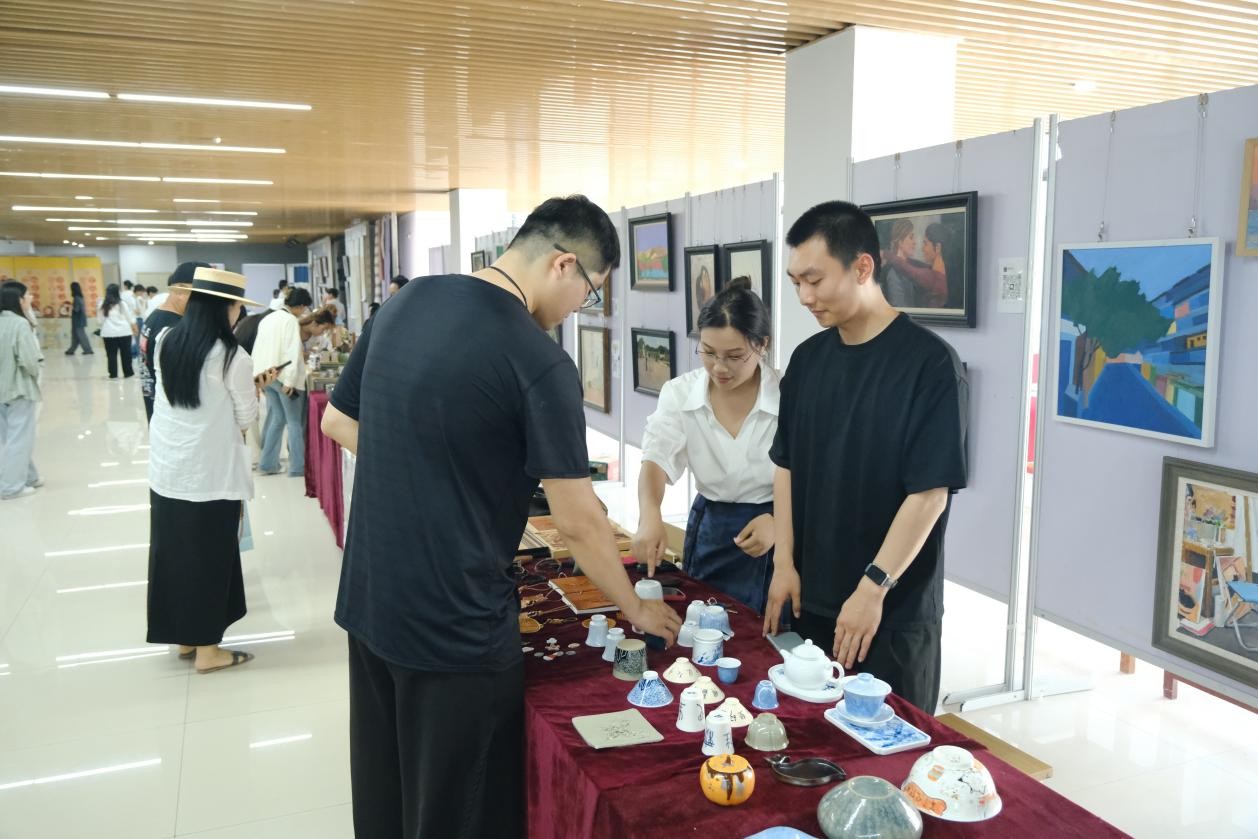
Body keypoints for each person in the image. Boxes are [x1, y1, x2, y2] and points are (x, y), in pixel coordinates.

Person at [319, 195, 681, 838]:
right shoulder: (537, 359)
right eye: (590, 293)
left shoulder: (405, 302)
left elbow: (338, 421)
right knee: (459, 814)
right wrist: (635, 608)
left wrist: (424, 471)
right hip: (455, 628)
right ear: (564, 265)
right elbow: (579, 522)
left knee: (386, 798)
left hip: (371, 600)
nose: (579, 309)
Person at [765, 200, 968, 714]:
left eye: (815, 280)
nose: (804, 296)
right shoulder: (807, 361)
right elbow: (786, 466)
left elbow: (929, 494)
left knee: (888, 749)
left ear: (862, 267)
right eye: (796, 282)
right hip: (811, 599)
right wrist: (784, 562)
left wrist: (873, 587)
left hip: (889, 610)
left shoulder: (930, 365)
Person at [148, 267, 278, 673]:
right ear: (223, 309)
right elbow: (245, 417)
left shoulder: (167, 341)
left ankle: (186, 638)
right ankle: (208, 652)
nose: (239, 313)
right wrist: (254, 390)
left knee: (175, 555)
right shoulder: (232, 356)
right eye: (237, 306)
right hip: (210, 474)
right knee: (208, 558)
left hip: (168, 470)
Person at [634, 277, 780, 613]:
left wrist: (780, 524)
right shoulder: (680, 393)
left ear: (762, 345)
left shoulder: (788, 395)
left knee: (767, 632)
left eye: (734, 356)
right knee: (701, 621)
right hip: (712, 528)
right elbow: (656, 458)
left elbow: (813, 478)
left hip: (775, 527)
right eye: (708, 352)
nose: (719, 367)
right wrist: (650, 514)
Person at [252, 287, 312, 477]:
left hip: (265, 376)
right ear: (300, 306)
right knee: (294, 422)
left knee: (278, 419)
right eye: (304, 308)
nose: (304, 312)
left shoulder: (267, 318)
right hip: (283, 377)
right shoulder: (290, 321)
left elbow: (258, 348)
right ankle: (297, 467)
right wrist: (291, 381)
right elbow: (292, 352)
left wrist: (258, 379)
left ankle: (267, 464)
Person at [140, 262, 207, 422]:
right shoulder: (172, 329)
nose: (205, 304)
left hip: (158, 411)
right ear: (180, 291)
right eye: (202, 296)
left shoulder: (156, 317)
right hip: (174, 419)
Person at [0, 281, 44, 500]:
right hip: (18, 389)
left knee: (11, 438)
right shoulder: (19, 324)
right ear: (18, 300)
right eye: (27, 296)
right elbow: (29, 361)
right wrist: (37, 368)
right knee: (19, 439)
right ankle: (10, 487)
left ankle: (29, 477)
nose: (30, 299)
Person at [98, 283, 136, 379]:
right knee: (126, 354)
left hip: (109, 333)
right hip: (124, 332)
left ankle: (113, 374)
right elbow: (129, 318)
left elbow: (100, 321)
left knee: (111, 355)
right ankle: (128, 373)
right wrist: (134, 326)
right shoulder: (122, 304)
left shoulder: (102, 304)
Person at [65, 281, 94, 355]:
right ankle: (71, 350)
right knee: (75, 336)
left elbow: (76, 309)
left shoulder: (76, 298)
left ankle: (88, 350)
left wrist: (69, 307)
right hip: (79, 320)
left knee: (81, 335)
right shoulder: (80, 297)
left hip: (78, 320)